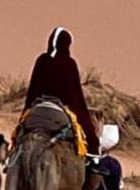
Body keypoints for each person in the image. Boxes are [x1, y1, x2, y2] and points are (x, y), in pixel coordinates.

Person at [25, 27, 105, 171]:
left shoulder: (42, 60)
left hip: (36, 110)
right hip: (61, 113)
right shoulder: (69, 64)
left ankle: (11, 158)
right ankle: (93, 163)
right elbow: (76, 97)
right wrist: (85, 120)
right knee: (89, 139)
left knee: (20, 135)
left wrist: (26, 112)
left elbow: (32, 91)